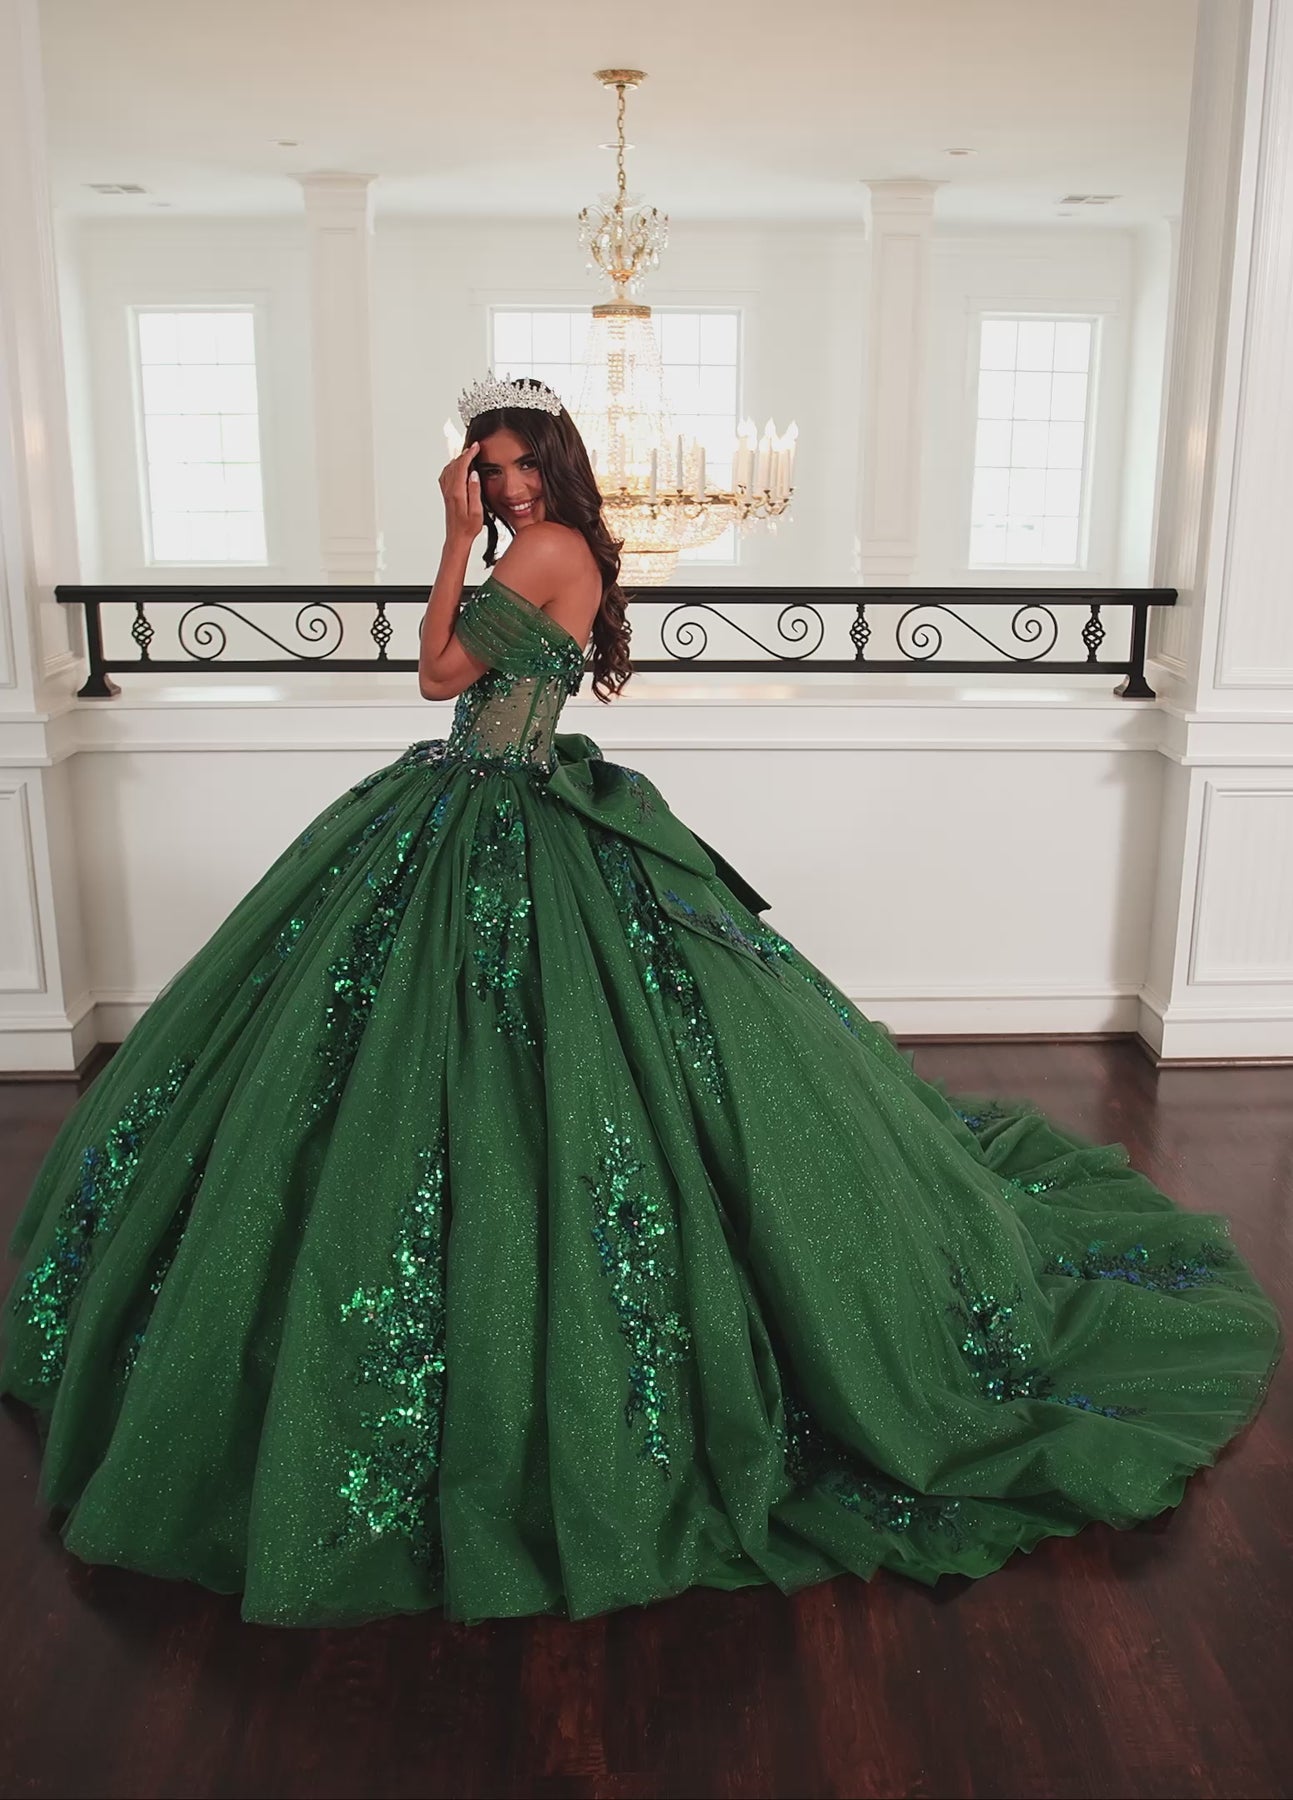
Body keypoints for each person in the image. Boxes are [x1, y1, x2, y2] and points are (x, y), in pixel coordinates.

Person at [0, 375, 1282, 1630]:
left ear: (554, 468)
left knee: (515, 1055)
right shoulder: (561, 547)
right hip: (490, 803)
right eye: (486, 469)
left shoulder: (544, 547)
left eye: (516, 465)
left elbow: (438, 678)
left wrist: (448, 537)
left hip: (495, 807)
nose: (502, 486)